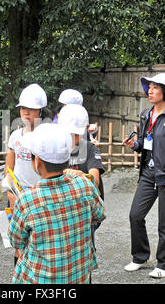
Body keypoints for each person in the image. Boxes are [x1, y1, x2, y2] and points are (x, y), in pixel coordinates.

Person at [8, 123, 106, 283]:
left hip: (41, 278)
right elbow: (100, 214)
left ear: (37, 161)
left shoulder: (27, 199)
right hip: (78, 275)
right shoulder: (84, 185)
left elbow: (15, 240)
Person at [123, 73, 165, 278]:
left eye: (155, 87)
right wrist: (135, 145)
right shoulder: (146, 114)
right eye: (148, 87)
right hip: (148, 172)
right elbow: (144, 144)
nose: (149, 91)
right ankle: (140, 256)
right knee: (135, 215)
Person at [5, 83, 48, 266]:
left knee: (40, 238)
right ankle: (19, 274)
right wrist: (10, 191)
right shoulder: (16, 135)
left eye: (31, 109)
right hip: (18, 193)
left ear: (40, 111)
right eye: (23, 108)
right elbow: (9, 166)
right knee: (18, 239)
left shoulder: (46, 135)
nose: (26, 113)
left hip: (40, 194)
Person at [58, 104, 105, 249]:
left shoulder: (90, 148)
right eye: (70, 134)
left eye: (77, 133)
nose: (74, 137)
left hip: (85, 208)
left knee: (85, 246)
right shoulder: (57, 149)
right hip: (63, 205)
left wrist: (75, 175)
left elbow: (94, 179)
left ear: (85, 130)